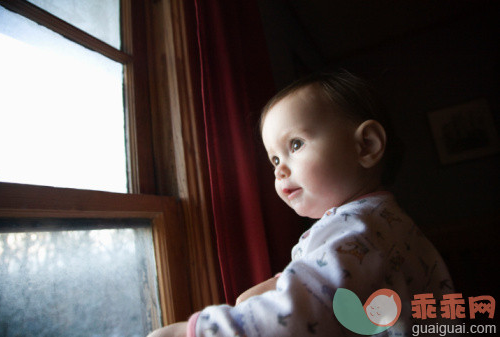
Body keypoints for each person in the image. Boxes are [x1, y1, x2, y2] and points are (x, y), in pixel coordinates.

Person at [147, 70, 454, 337]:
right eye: (274, 159)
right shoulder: (382, 224)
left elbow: (301, 317)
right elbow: (347, 279)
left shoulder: (356, 230)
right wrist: (287, 281)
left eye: (295, 144)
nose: (279, 169)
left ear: (366, 145)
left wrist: (195, 331)